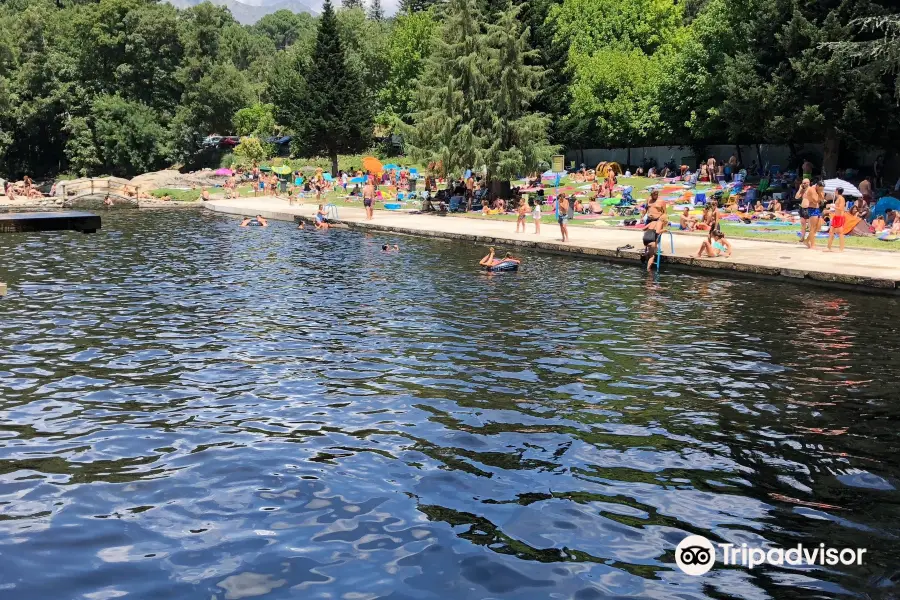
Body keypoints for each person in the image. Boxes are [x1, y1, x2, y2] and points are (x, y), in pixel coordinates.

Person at [804, 181, 825, 249]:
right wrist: (819, 194)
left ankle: (807, 240)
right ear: (817, 186)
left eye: (822, 189)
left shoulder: (819, 190)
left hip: (817, 209)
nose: (822, 190)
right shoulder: (811, 189)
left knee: (818, 227)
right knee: (813, 227)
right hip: (812, 209)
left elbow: (822, 199)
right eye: (821, 188)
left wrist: (820, 194)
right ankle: (812, 244)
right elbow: (815, 200)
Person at [827, 187, 847, 252]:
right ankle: (828, 247)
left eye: (835, 190)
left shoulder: (841, 198)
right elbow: (837, 209)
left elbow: (841, 208)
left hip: (840, 217)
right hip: (836, 217)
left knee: (840, 233)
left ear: (837, 191)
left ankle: (841, 248)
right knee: (831, 232)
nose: (834, 191)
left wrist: (831, 206)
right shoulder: (838, 198)